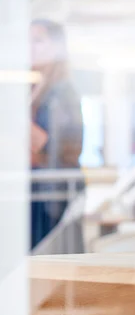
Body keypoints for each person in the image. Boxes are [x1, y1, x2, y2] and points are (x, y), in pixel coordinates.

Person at [30, 19, 85, 254]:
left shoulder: (62, 91)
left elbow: (53, 147)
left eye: (37, 41)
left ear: (56, 47)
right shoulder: (33, 88)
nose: (30, 47)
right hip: (36, 191)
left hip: (53, 195)